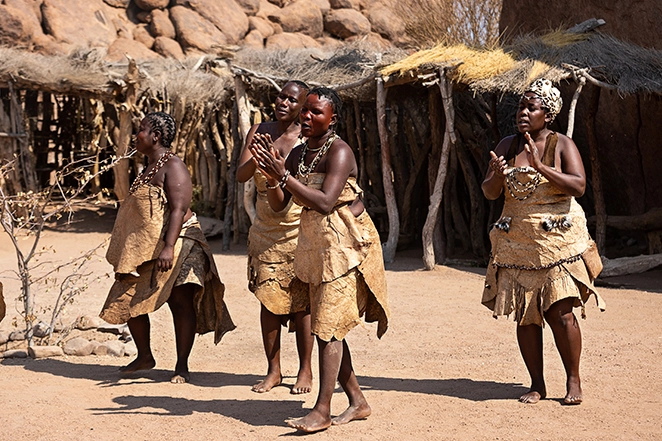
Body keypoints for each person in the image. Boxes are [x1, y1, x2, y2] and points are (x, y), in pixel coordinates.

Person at [251, 87, 390, 432]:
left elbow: (326, 202)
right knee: (330, 327)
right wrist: (273, 179)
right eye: (306, 112)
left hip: (343, 247)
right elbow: (283, 204)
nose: (307, 117)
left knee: (328, 328)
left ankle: (323, 410)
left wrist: (284, 176)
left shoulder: (339, 152)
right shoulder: (300, 154)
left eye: (316, 112)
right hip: (313, 246)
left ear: (333, 119)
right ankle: (357, 401)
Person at [481, 79, 606, 405]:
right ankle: (537, 384)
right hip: (518, 243)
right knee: (526, 315)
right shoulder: (508, 144)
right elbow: (490, 193)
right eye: (521, 107)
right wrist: (496, 174)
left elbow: (578, 186)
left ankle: (573, 379)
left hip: (556, 242)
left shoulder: (560, 144)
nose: (523, 113)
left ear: (547, 114)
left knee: (560, 312)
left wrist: (540, 167)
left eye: (531, 108)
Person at [100, 111, 235, 383]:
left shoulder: (173, 166)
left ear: (156, 136)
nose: (135, 135)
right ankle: (145, 356)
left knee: (180, 302)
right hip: (150, 247)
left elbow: (178, 209)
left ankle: (181, 366)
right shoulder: (148, 167)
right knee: (128, 297)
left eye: (141, 129)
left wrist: (169, 247)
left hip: (180, 243)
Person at [236, 80, 314, 394]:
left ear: (303, 106)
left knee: (301, 304)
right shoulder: (258, 131)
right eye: (280, 96)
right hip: (265, 231)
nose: (283, 102)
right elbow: (241, 175)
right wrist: (260, 156)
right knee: (267, 302)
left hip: (298, 229)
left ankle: (305, 371)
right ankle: (274, 370)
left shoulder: (307, 137)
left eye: (292, 99)